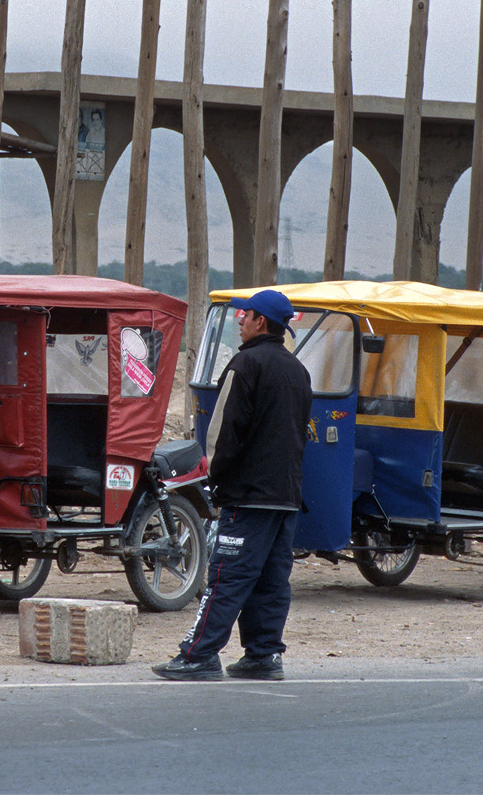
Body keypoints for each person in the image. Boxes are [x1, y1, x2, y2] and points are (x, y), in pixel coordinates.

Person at [154, 288, 312, 682]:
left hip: (248, 497)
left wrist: (217, 482)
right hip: (286, 498)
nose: (240, 320)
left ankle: (198, 655)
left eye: (246, 315)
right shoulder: (299, 371)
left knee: (227, 577)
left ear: (261, 322)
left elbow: (224, 434)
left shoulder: (245, 364)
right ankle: (263, 656)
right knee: (272, 582)